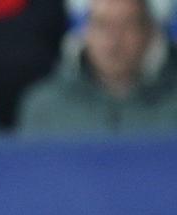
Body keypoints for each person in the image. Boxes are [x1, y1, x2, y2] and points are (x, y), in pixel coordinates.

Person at [19, 0, 177, 133]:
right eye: (102, 25)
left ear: (149, 33)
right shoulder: (45, 107)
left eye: (127, 26)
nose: (114, 41)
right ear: (85, 32)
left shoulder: (172, 105)